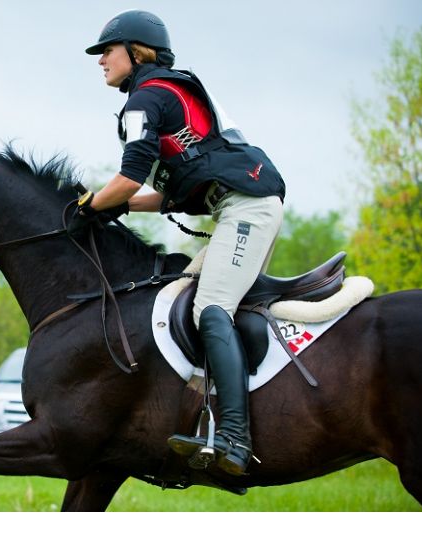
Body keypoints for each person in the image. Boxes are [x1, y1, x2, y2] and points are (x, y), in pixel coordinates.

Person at [73, 9, 285, 476]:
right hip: (240, 205)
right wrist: (118, 207)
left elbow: (128, 178)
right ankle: (199, 417)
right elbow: (169, 195)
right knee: (182, 296)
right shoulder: (163, 94)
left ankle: (235, 437)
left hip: (244, 208)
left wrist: (89, 207)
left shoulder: (145, 100)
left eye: (107, 50)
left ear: (135, 51)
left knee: (210, 308)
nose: (100, 60)